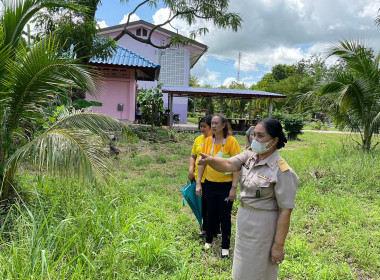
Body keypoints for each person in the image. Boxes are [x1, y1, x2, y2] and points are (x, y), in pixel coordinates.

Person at [198, 118, 299, 280]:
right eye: (254, 135)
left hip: (264, 226)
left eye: (260, 136)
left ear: (274, 141)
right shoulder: (250, 156)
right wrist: (210, 161)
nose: (255, 140)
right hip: (244, 220)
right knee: (241, 267)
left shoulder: (282, 171)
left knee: (259, 270)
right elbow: (228, 164)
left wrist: (278, 246)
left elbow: (285, 211)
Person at [196, 113, 241, 258]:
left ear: (223, 125)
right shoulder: (208, 141)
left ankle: (225, 248)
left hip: (225, 186)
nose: (213, 126)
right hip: (209, 184)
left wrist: (234, 188)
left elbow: (237, 166)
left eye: (216, 123)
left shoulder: (231, 142)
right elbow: (202, 163)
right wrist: (199, 183)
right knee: (210, 214)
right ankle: (208, 241)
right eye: (212, 123)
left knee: (225, 216)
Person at [188, 115, 213, 237]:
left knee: (212, 204)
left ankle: (216, 229)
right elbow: (193, 156)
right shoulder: (198, 140)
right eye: (201, 126)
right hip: (199, 177)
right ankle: (204, 228)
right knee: (202, 205)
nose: (202, 129)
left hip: (213, 178)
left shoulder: (217, 140)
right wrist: (191, 170)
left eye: (205, 126)